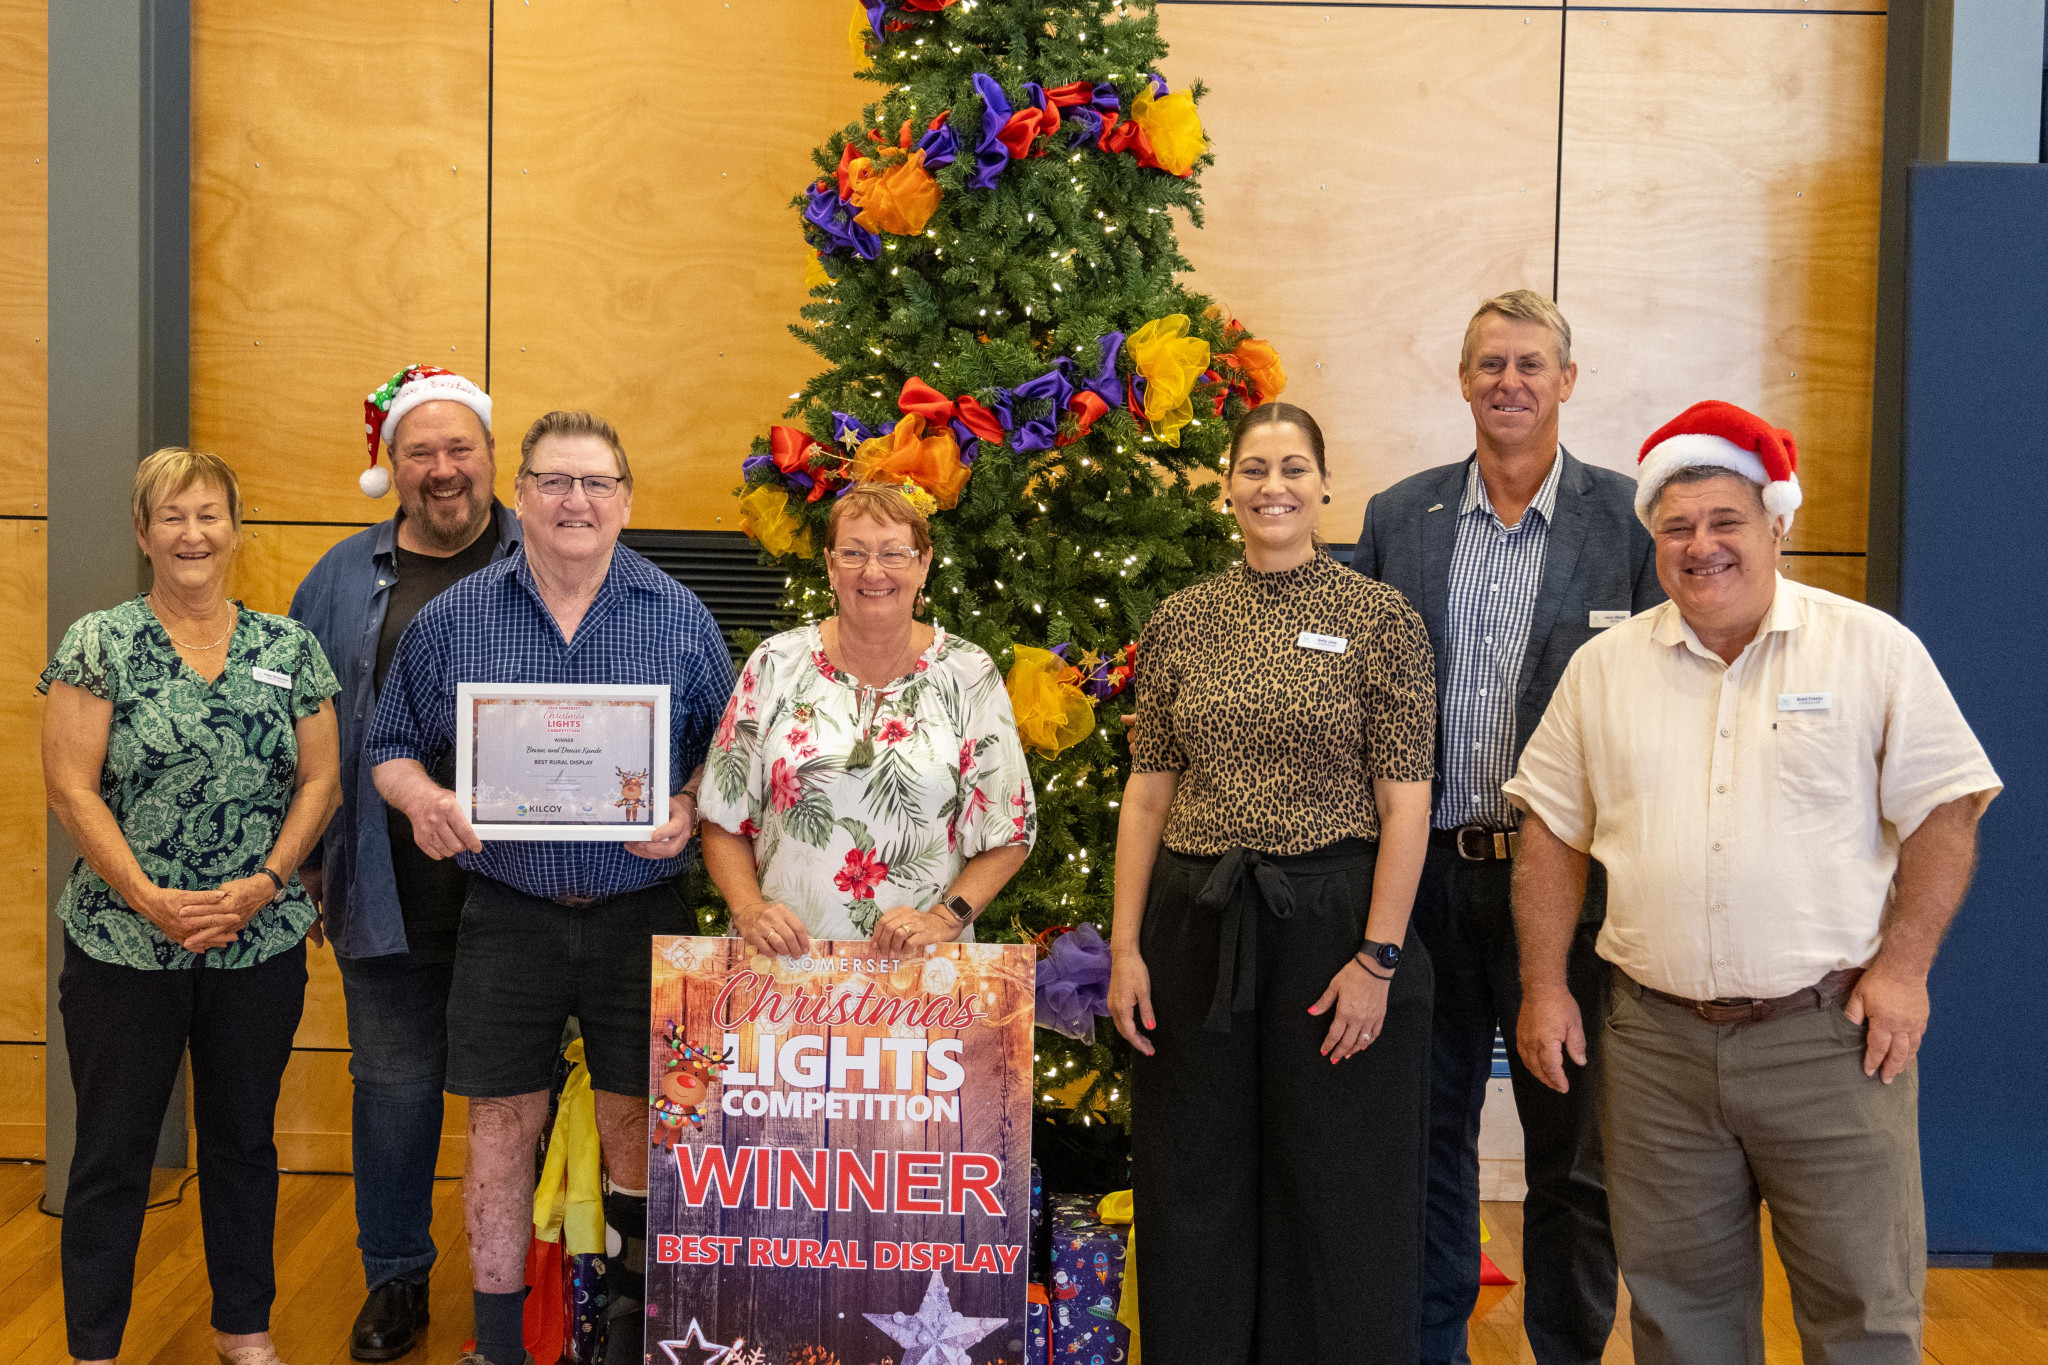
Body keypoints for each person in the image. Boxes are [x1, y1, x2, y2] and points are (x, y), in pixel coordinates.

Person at [1505, 401, 2001, 1364]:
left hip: (1831, 1041)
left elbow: (1948, 806)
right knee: (1680, 1318)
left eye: (1725, 521)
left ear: (1778, 523)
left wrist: (1903, 970)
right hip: (1653, 1049)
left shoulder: (1871, 650)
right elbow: (1552, 830)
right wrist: (1543, 984)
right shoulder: (1604, 669)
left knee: (1862, 1313)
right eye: (1678, 527)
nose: (1701, 546)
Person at [366, 410, 734, 1365]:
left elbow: (727, 757)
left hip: (642, 912)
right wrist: (424, 799)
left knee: (638, 1126)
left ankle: (626, 1336)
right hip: (506, 915)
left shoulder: (679, 615)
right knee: (497, 1125)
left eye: (597, 484)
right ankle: (496, 1346)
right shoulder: (455, 616)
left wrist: (690, 804)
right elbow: (388, 745)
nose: (576, 500)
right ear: (519, 494)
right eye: (555, 481)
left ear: (626, 501)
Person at [1352, 290, 1656, 1364]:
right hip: (1422, 881)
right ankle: (1428, 1346)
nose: (1508, 382)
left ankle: (1566, 1351)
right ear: (1462, 379)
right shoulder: (1400, 517)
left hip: (1563, 891)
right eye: (1489, 363)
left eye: (1530, 364)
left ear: (1566, 381)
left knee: (1571, 1155)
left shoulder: (1628, 525)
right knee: (1424, 1146)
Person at [1109, 402, 1438, 1364]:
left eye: (1294, 467)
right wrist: (1126, 949)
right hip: (1195, 924)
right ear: (1227, 487)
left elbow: (1406, 806)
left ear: (1326, 485)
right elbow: (1146, 796)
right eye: (1254, 468)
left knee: (1336, 1181)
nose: (1274, 486)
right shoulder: (1180, 619)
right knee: (1195, 1175)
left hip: (1332, 926)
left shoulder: (1381, 619)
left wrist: (1377, 959)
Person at [41, 447, 342, 1365]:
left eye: (208, 514)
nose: (192, 533)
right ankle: (94, 1345)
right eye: (171, 516)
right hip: (123, 944)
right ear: (143, 533)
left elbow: (322, 779)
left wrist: (264, 884)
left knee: (244, 1141)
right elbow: (69, 786)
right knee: (111, 1153)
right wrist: (149, 899)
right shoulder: (99, 643)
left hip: (257, 940)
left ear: (235, 531)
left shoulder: (287, 649)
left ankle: (243, 1329)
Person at [288, 366, 523, 1359]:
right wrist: (295, 865)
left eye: (457, 447)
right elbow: (289, 722)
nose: (441, 469)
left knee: (524, 1093)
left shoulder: (556, 551)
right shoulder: (336, 580)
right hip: (381, 881)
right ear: (391, 466)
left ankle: (537, 1289)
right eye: (419, 452)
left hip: (530, 892)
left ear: (489, 456)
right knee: (391, 1086)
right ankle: (395, 1280)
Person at [700, 483, 1035, 954]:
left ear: (924, 564)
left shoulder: (969, 673)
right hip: (780, 969)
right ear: (831, 566)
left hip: (919, 981)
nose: (873, 570)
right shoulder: (775, 662)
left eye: (895, 553)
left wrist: (944, 919)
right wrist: (749, 910)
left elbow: (1009, 831)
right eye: (853, 553)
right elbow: (720, 817)